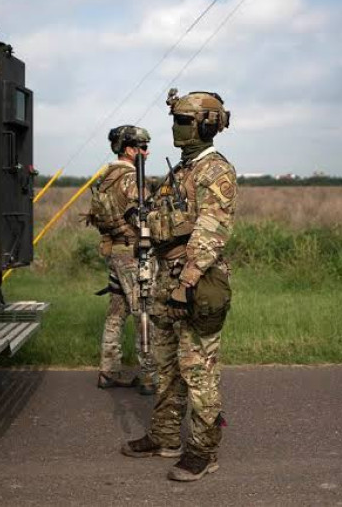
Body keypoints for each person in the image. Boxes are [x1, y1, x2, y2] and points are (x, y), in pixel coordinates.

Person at [121, 90, 236, 482]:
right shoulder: (182, 170)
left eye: (184, 121)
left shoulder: (214, 170)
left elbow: (211, 231)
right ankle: (166, 436)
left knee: (197, 370)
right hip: (167, 275)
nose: (176, 127)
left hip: (197, 281)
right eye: (176, 120)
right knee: (166, 365)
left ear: (206, 125)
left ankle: (203, 451)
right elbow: (169, 219)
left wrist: (185, 282)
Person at [87, 125, 157, 395]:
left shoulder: (107, 176)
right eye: (142, 147)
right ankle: (150, 375)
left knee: (116, 312)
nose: (146, 152)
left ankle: (109, 370)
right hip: (133, 253)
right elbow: (145, 219)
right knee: (144, 311)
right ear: (129, 149)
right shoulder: (130, 179)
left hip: (115, 251)